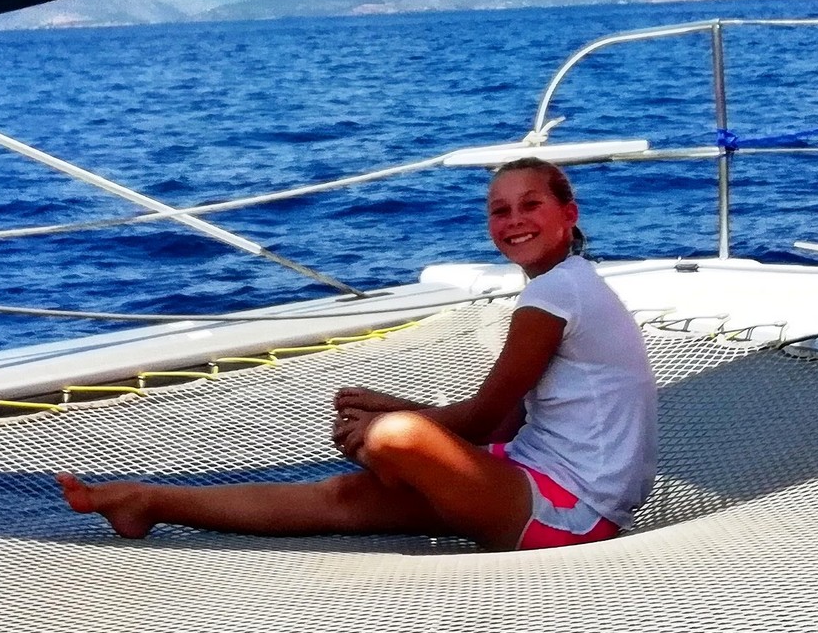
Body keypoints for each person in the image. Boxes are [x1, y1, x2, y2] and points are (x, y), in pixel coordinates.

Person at [56, 158, 658, 550]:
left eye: (532, 205)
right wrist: (392, 408)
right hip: (529, 473)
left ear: (567, 215)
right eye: (499, 210)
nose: (514, 220)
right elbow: (504, 422)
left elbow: (480, 421)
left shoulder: (559, 293)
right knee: (341, 497)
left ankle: (391, 450)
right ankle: (147, 501)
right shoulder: (563, 285)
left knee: (394, 439)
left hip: (574, 511)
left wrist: (392, 423)